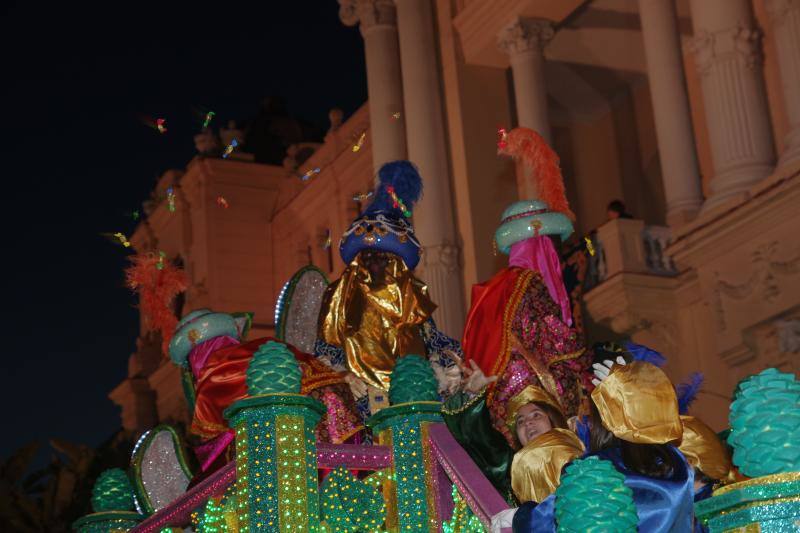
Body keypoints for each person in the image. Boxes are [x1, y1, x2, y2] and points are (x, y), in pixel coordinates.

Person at [462, 127, 592, 447]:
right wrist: (588, 366)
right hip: (535, 396)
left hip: (502, 401)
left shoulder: (499, 286)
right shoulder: (530, 285)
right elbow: (555, 340)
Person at [316, 160, 463, 421]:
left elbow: (433, 342)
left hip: (412, 401)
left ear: (394, 262)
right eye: (368, 256)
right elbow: (324, 353)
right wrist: (341, 377)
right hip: (358, 406)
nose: (374, 263)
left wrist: (452, 366)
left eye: (382, 257)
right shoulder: (339, 296)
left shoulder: (410, 296)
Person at [513, 358, 694, 532]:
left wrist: (520, 515)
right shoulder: (676, 461)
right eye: (520, 421)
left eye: (536, 415)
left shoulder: (597, 469)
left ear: (601, 420)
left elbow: (545, 522)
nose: (528, 423)